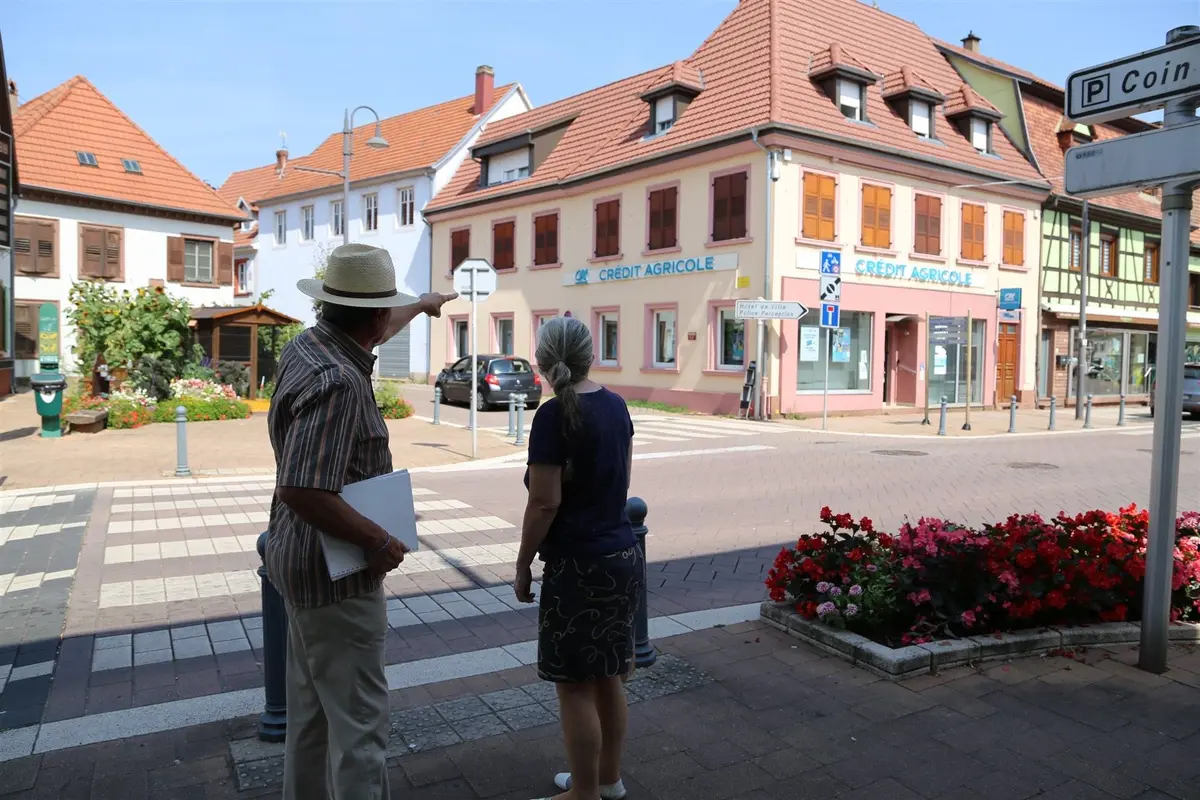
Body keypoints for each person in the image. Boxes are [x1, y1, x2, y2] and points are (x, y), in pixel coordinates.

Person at [266, 243, 455, 800]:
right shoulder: (340, 381)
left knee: (312, 719)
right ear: (372, 316)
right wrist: (379, 540)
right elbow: (302, 488)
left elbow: (378, 326)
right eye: (387, 309)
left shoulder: (312, 345)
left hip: (299, 564)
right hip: (336, 575)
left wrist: (423, 303)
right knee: (361, 730)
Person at [515, 316, 641, 800]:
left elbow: (544, 503)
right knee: (609, 672)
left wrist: (524, 562)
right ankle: (608, 779)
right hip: (621, 555)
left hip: (576, 566)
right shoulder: (616, 406)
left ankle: (582, 793)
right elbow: (622, 481)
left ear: (543, 362)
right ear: (591, 356)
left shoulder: (551, 417)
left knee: (573, 685)